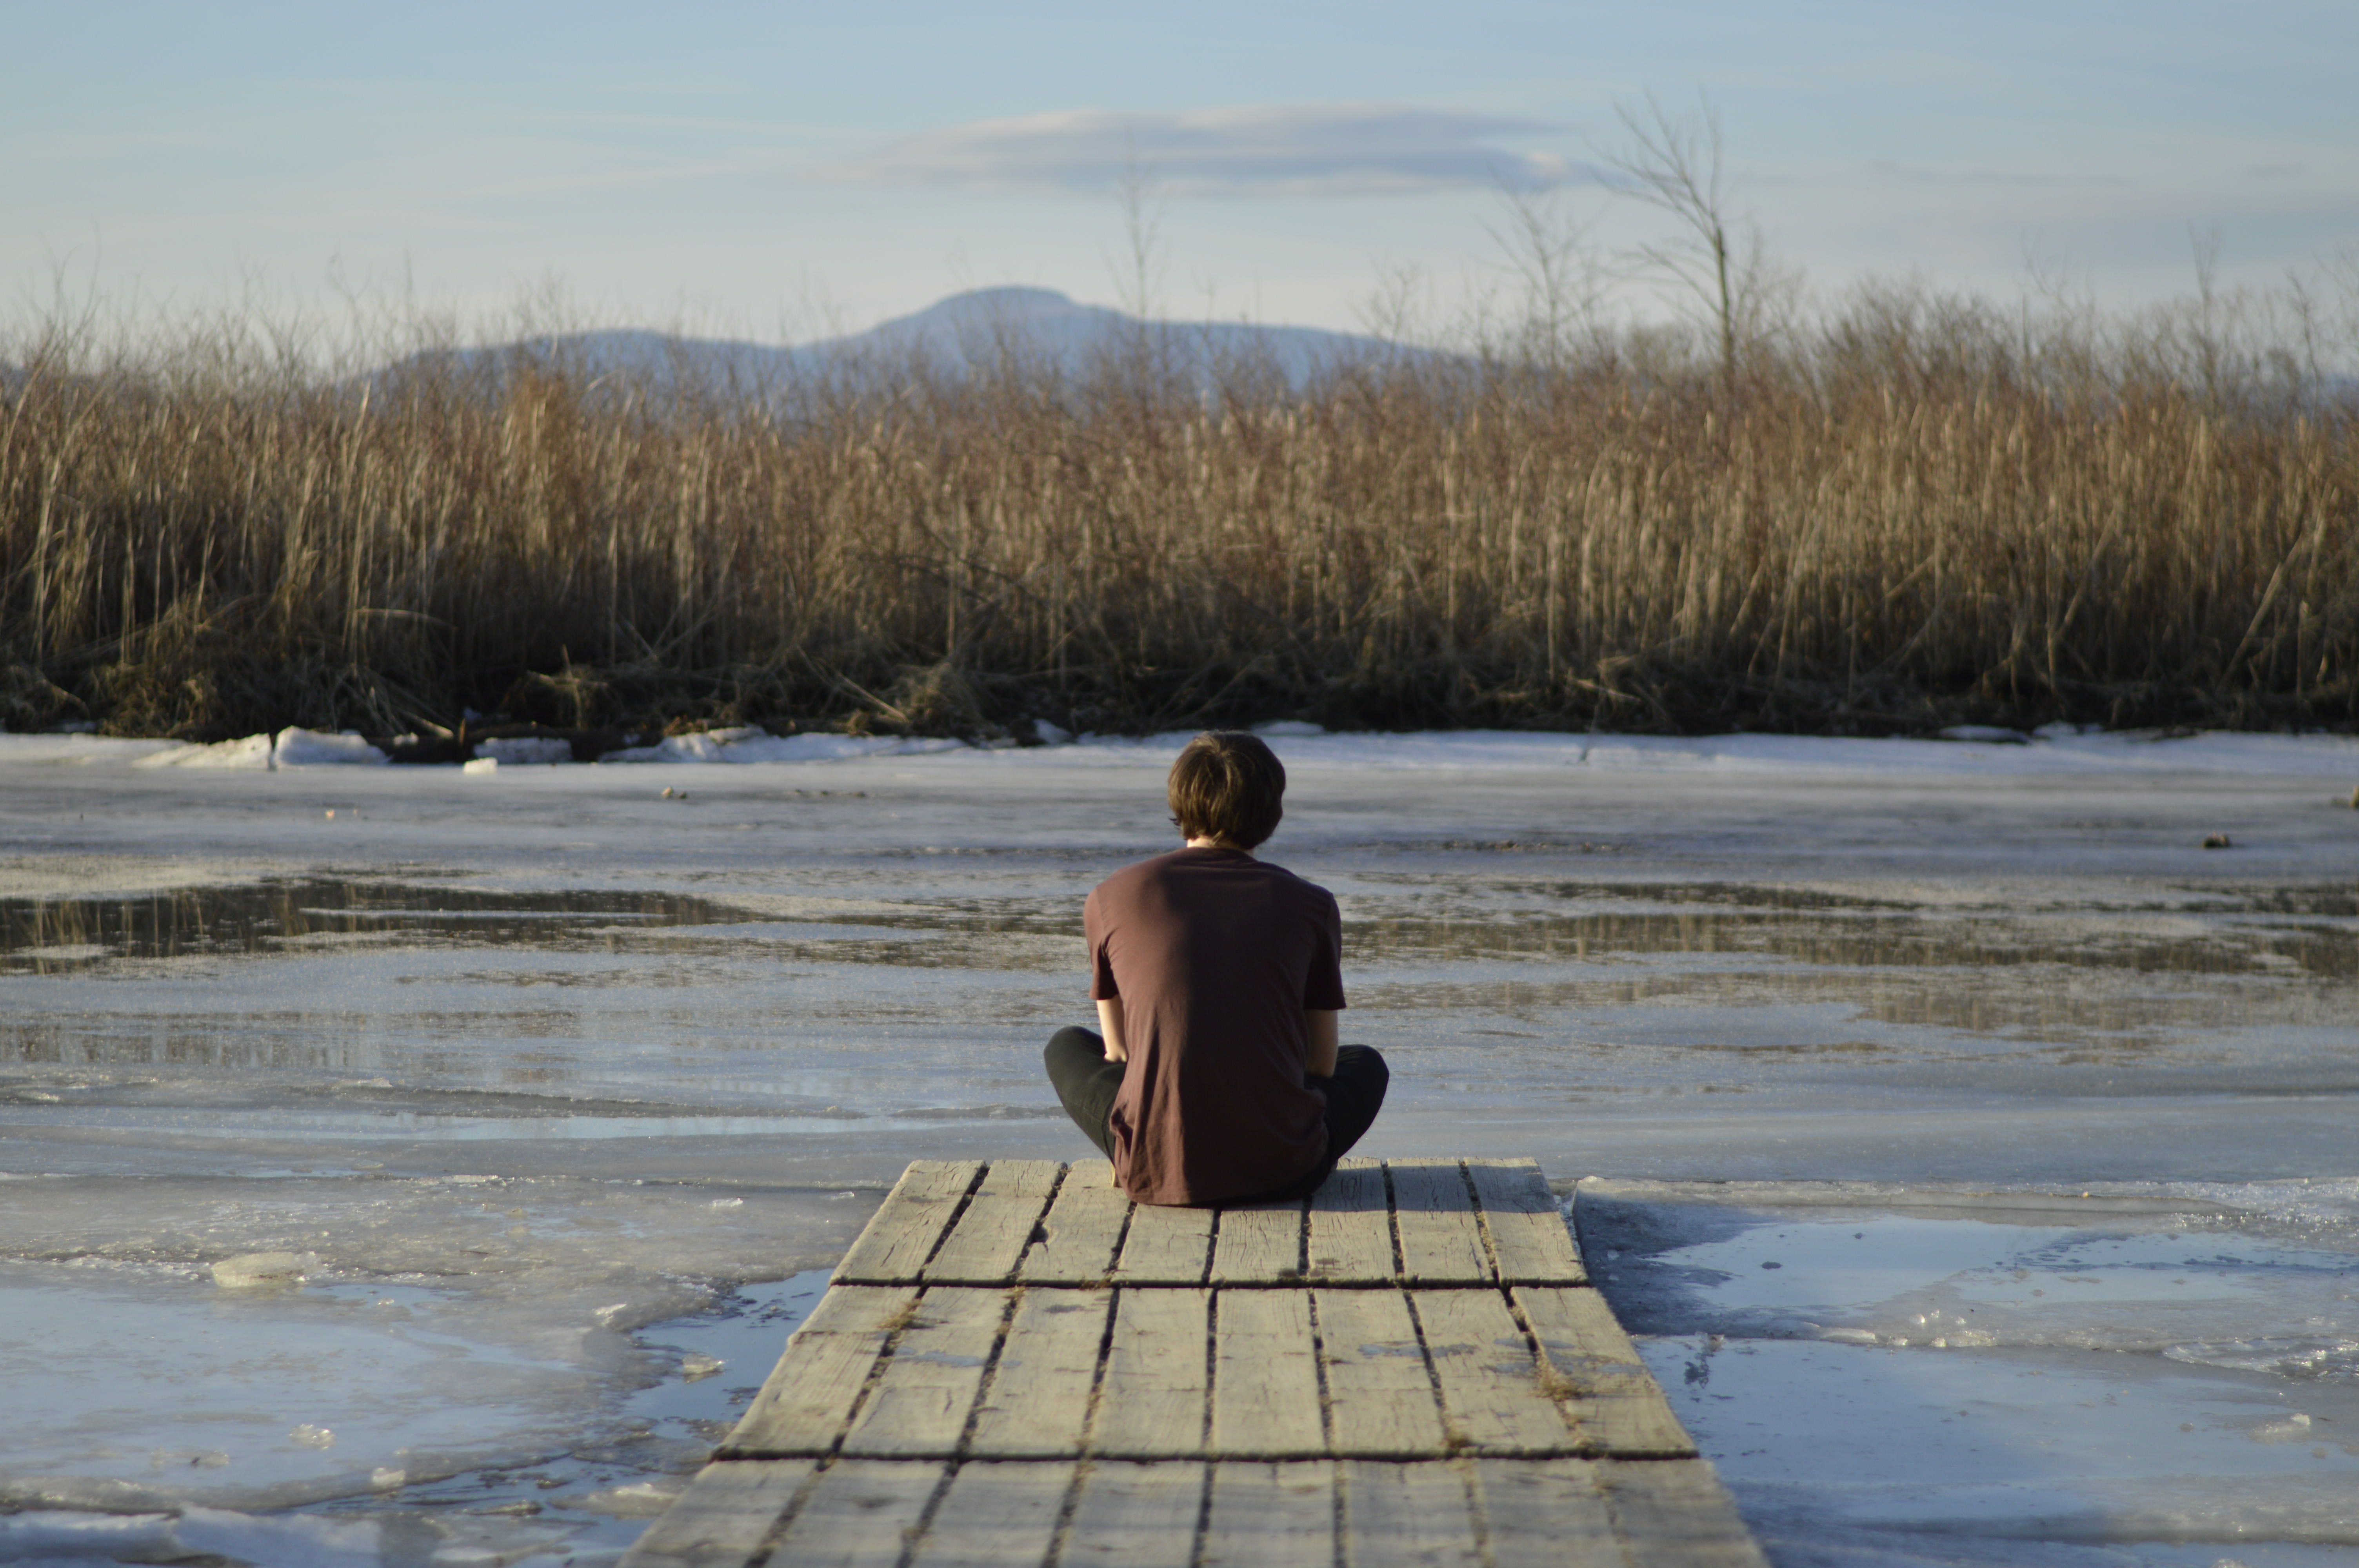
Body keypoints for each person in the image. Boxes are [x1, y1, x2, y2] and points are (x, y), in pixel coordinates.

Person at [1043, 730, 1388, 1205]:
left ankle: (1150, 1150)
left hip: (1153, 1167)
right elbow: (1321, 1063)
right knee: (1364, 1064)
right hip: (1285, 1170)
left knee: (1068, 1044)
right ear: (1272, 812)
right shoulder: (1313, 905)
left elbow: (1120, 1052)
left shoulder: (1111, 896)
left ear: (1180, 804)